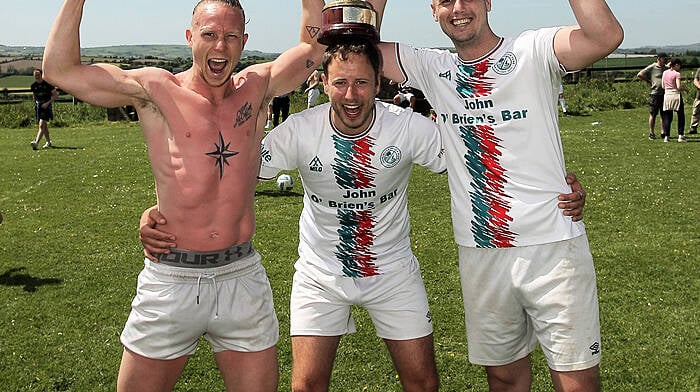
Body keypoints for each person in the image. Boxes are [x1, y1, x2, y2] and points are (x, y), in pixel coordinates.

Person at [139, 40, 588, 391]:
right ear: (323, 84)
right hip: (319, 275)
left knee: (424, 382)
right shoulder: (299, 129)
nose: (350, 95)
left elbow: (477, 156)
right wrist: (159, 212)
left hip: (393, 272)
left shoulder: (407, 127)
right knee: (306, 385)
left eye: (361, 83)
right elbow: (227, 170)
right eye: (339, 83)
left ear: (379, 83)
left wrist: (552, 181)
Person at [42, 0, 326, 391]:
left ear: (244, 41)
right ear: (190, 37)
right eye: (209, 35)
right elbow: (60, 70)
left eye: (230, 37)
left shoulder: (257, 89)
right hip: (171, 277)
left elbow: (314, 47)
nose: (220, 47)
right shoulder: (156, 90)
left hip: (240, 276)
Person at [365, 0, 622, 390]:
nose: (458, 7)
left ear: (488, 2)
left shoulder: (532, 50)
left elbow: (605, 36)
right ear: (433, 10)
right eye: (445, 1)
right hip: (480, 249)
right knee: (503, 378)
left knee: (576, 382)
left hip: (552, 245)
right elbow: (359, 52)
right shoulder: (433, 67)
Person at [638, 53, 669, 140]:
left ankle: (663, 132)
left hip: (664, 93)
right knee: (653, 114)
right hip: (655, 94)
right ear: (659, 58)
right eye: (664, 58)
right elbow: (640, 74)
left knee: (664, 114)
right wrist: (648, 81)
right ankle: (651, 133)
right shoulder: (652, 67)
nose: (665, 60)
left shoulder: (666, 68)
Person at [661, 58, 688, 143]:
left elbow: (663, 86)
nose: (680, 67)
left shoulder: (664, 73)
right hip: (675, 95)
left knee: (667, 117)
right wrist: (685, 89)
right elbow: (679, 87)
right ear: (676, 65)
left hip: (667, 95)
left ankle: (666, 136)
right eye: (679, 65)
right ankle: (680, 135)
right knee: (680, 116)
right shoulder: (677, 74)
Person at [29, 69, 58, 150]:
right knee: (44, 126)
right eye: (35, 75)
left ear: (41, 75)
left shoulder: (48, 84)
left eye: (38, 75)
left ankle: (36, 143)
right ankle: (48, 142)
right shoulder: (33, 86)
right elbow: (34, 96)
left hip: (46, 106)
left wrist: (47, 103)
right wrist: (35, 104)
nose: (36, 76)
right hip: (39, 107)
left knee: (41, 125)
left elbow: (55, 95)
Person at [689, 66, 700, 134]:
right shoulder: (699, 70)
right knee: (695, 111)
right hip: (699, 95)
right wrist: (699, 86)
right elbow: (695, 80)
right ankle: (693, 128)